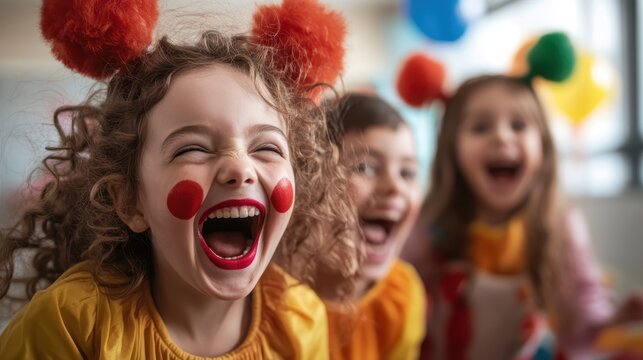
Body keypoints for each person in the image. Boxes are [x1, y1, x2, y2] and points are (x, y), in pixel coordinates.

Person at [0, 0, 359, 358]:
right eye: (192, 150)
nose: (240, 168)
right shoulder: (72, 325)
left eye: (267, 147)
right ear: (128, 200)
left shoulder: (301, 321)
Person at [403, 73, 643, 359]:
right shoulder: (429, 224)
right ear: (451, 149)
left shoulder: (560, 225)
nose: (502, 137)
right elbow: (394, 295)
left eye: (519, 125)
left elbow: (580, 316)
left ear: (544, 146)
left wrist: (614, 320)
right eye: (480, 127)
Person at [320, 93, 426, 359]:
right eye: (366, 167)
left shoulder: (401, 296)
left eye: (407, 173)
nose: (395, 187)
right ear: (310, 181)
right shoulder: (272, 301)